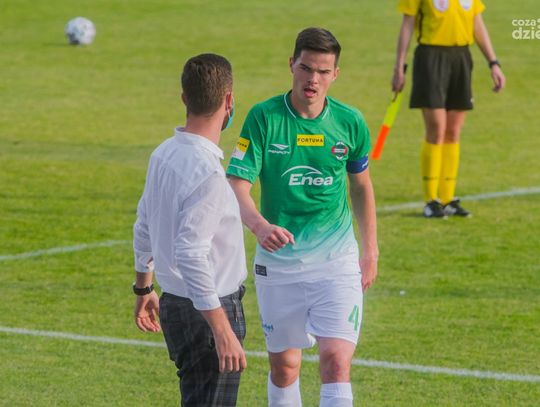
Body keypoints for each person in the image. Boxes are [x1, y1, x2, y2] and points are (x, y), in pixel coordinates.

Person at [226, 27, 378, 407]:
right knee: (285, 367)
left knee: (336, 362)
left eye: (323, 71)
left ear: (335, 74)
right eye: (306, 68)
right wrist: (259, 226)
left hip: (337, 262)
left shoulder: (350, 122)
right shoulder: (264, 118)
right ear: (291, 64)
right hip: (280, 265)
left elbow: (361, 186)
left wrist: (370, 250)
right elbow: (236, 184)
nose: (313, 79)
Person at [132, 53, 248, 406]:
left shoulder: (163, 154)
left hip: (176, 304)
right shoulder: (208, 173)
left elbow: (144, 222)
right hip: (208, 311)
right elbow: (191, 253)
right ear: (229, 100)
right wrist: (221, 328)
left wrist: (143, 287)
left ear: (185, 98)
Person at [392, 0, 506, 218]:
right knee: (437, 129)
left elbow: (477, 23)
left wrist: (493, 63)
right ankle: (431, 200)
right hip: (430, 57)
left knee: (453, 132)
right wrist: (399, 67)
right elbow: (407, 24)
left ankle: (448, 198)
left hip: (461, 58)